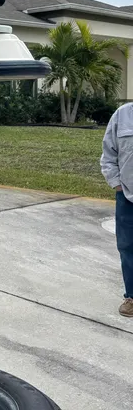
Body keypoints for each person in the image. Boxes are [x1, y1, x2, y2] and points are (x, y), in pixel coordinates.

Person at [100, 104, 133, 317]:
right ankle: (131, 297)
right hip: (128, 196)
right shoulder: (123, 115)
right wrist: (118, 186)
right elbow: (109, 155)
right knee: (128, 247)